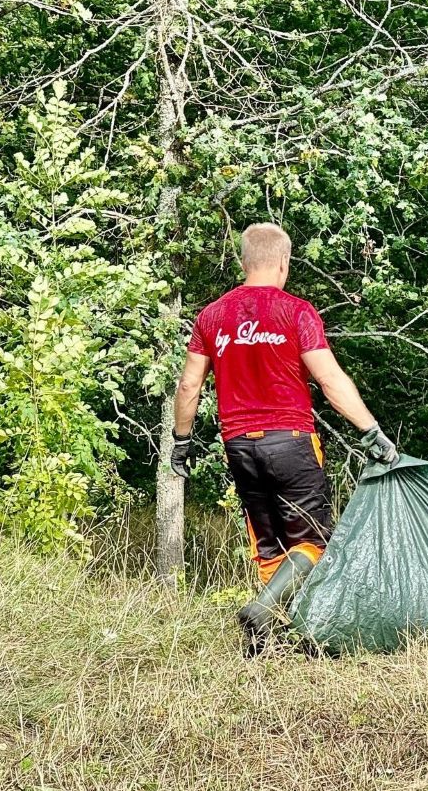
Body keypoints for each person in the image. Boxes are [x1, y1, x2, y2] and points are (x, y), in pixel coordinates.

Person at [169, 223, 398, 623]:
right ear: (283, 263)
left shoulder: (211, 316)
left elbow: (189, 384)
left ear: (244, 262)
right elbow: (330, 380)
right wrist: (371, 431)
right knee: (311, 542)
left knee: (270, 547)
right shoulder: (297, 312)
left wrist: (181, 441)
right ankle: (261, 610)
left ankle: (272, 638)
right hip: (291, 441)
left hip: (238, 445)